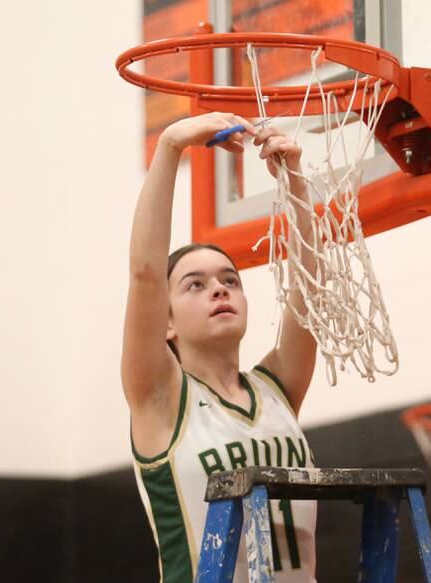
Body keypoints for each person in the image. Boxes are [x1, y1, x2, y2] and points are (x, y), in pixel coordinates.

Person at [121, 112, 318, 583]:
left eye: (230, 279)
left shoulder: (277, 388)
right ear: (165, 322)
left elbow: (311, 287)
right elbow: (146, 274)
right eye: (195, 285)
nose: (219, 289)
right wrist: (170, 145)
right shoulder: (161, 400)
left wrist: (294, 181)